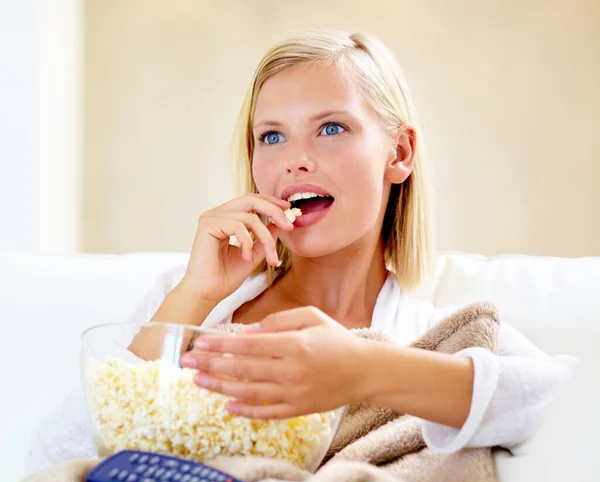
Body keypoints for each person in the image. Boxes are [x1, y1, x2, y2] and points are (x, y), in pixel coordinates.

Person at [124, 28, 576, 456]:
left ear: (399, 154)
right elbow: (72, 447)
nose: (295, 161)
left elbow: (571, 406)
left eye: (331, 128)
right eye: (272, 136)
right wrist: (197, 294)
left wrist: (361, 369)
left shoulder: (436, 333)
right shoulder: (186, 298)